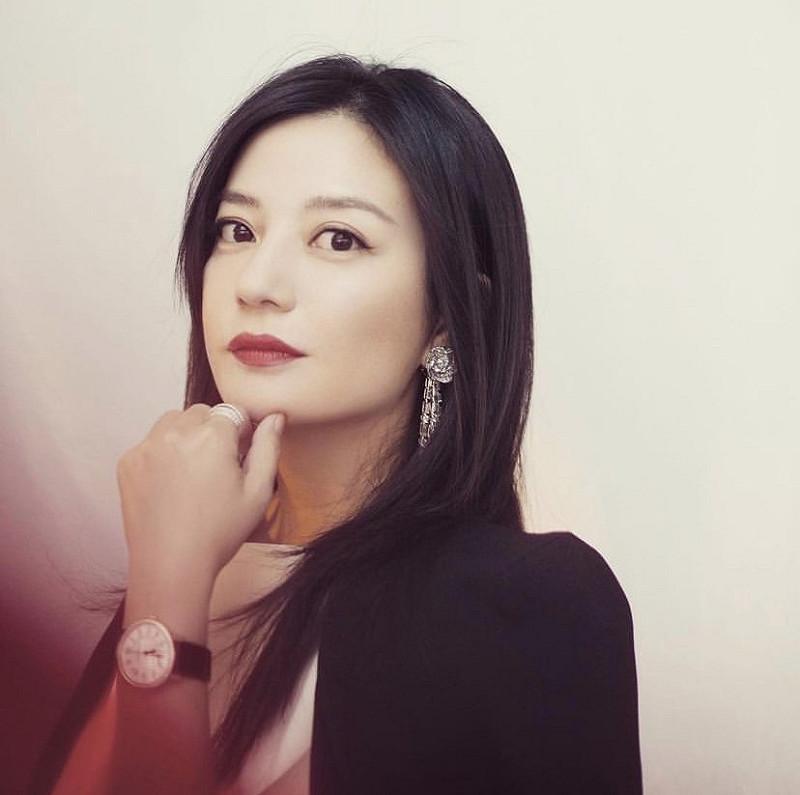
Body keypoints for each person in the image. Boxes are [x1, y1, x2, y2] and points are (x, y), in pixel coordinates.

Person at [30, 53, 642, 794]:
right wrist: (172, 578)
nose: (257, 283)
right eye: (236, 229)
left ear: (449, 316)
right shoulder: (190, 557)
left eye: (338, 239)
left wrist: (167, 599)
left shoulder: (530, 603)